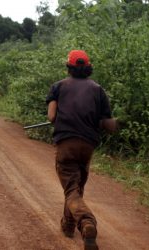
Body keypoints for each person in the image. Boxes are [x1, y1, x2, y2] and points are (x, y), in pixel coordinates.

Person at [46, 50, 117, 250]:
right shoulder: (98, 90)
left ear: (69, 67)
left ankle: (87, 222)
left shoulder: (58, 87)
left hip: (66, 143)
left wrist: (60, 115)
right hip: (87, 145)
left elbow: (51, 117)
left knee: (70, 189)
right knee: (76, 188)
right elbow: (106, 122)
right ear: (88, 68)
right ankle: (68, 226)